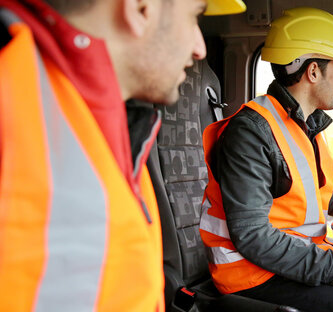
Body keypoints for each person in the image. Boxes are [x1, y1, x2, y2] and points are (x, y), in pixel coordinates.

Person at [0, 0, 245, 311]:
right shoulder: (14, 94)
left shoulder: (119, 119)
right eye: (194, 17)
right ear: (140, 8)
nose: (199, 48)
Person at [199, 7, 333, 312]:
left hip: (295, 255)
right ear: (312, 72)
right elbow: (254, 237)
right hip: (251, 273)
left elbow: (326, 192)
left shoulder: (304, 125)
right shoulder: (252, 132)